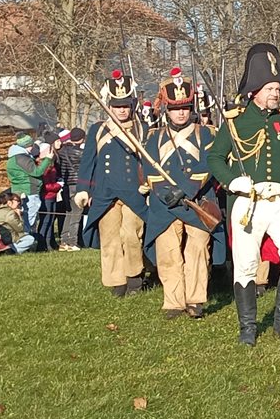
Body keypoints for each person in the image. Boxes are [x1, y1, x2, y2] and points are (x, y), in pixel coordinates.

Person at [208, 43, 280, 346]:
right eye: (269, 88)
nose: (275, 93)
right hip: (249, 203)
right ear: (255, 91)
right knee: (246, 265)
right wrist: (233, 182)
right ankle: (248, 328)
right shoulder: (236, 121)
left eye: (277, 88)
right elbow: (214, 158)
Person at [143, 74, 217, 319]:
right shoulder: (154, 137)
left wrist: (184, 189)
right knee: (168, 252)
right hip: (165, 203)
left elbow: (208, 163)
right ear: (167, 109)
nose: (181, 113)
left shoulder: (205, 134)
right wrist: (166, 192)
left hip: (196, 202)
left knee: (198, 249)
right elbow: (149, 169)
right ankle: (173, 301)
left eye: (185, 107)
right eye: (176, 109)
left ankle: (195, 300)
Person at [77, 69, 151, 297]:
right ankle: (116, 281)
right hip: (105, 192)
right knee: (109, 237)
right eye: (117, 105)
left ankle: (134, 278)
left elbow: (150, 161)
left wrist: (148, 183)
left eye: (125, 105)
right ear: (109, 105)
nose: (121, 110)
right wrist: (83, 189)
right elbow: (88, 161)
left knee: (131, 234)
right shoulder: (98, 129)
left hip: (133, 192)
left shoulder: (142, 129)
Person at [5, 132, 53, 238]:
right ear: (26, 145)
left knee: (23, 218)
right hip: (29, 191)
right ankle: (26, 240)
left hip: (20, 190)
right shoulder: (22, 158)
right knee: (28, 220)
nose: (32, 148)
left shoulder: (14, 157)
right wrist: (48, 159)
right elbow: (37, 172)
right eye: (31, 145)